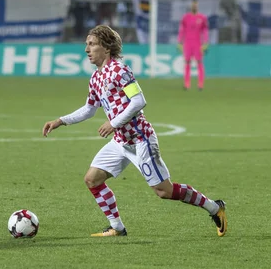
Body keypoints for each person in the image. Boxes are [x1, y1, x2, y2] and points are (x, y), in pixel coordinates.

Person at [42, 25, 227, 237]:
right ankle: (117, 228)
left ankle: (215, 208)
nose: (87, 49)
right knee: (92, 179)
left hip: (141, 139)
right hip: (121, 141)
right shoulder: (96, 78)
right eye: (86, 44)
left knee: (163, 191)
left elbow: (139, 100)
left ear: (106, 47)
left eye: (91, 44)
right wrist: (60, 121)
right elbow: (89, 109)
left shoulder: (120, 71)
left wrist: (114, 123)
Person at [177, 0, 209, 91]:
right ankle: (187, 84)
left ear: (197, 6)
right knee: (187, 63)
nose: (194, 7)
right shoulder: (186, 17)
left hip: (198, 44)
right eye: (193, 5)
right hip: (187, 43)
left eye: (196, 5)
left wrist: (205, 42)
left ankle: (200, 84)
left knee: (199, 62)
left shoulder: (202, 18)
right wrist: (179, 41)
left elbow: (205, 31)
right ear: (191, 6)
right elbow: (182, 30)